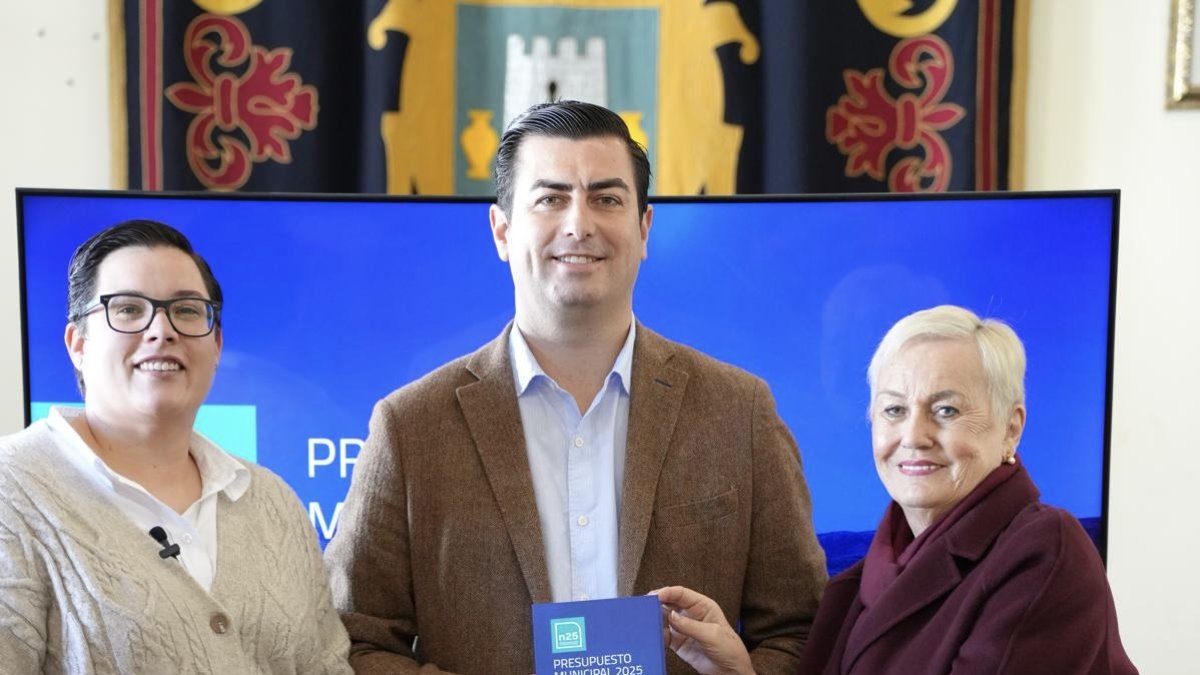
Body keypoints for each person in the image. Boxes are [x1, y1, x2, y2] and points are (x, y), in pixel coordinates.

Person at [325, 100, 827, 674]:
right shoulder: (410, 426)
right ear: (502, 230)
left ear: (644, 228)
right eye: (551, 197)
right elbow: (353, 637)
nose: (579, 223)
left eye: (607, 198)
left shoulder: (739, 411)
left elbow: (802, 629)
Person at [656, 305, 1137, 674]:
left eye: (945, 410)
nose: (914, 436)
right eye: (893, 410)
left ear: (1011, 429)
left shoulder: (1045, 552)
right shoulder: (850, 591)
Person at [0, 221, 351, 674]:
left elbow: (327, 665)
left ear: (217, 344)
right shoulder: (13, 492)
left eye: (186, 310)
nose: (162, 330)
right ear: (78, 345)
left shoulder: (272, 500)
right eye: (127, 309)